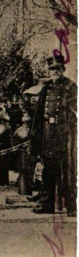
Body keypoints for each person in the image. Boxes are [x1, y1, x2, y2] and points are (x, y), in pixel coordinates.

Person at [29, 53, 77, 216]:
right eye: (52, 69)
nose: (55, 71)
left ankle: (72, 206)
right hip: (49, 133)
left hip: (64, 134)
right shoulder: (46, 88)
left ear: (63, 69)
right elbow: (39, 114)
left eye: (58, 68)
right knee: (48, 169)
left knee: (67, 170)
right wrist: (36, 135)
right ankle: (47, 203)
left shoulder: (71, 87)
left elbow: (75, 112)